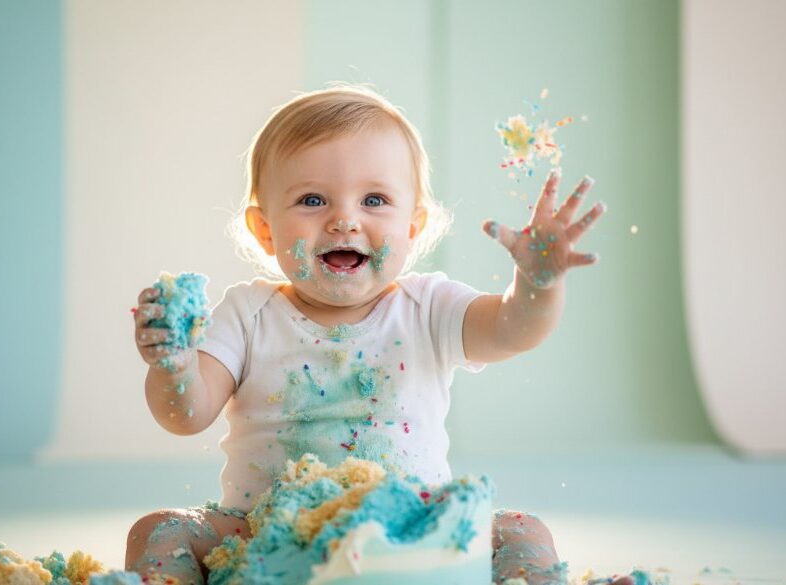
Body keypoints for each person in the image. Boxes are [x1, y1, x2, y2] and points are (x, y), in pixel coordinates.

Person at [127, 85, 631, 585]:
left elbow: (511, 330)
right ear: (265, 230)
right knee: (161, 529)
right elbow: (185, 415)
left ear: (413, 228)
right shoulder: (247, 313)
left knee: (522, 530)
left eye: (374, 199)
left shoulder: (427, 307)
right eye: (312, 199)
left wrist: (538, 284)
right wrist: (174, 365)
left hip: (412, 533)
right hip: (267, 534)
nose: (344, 219)